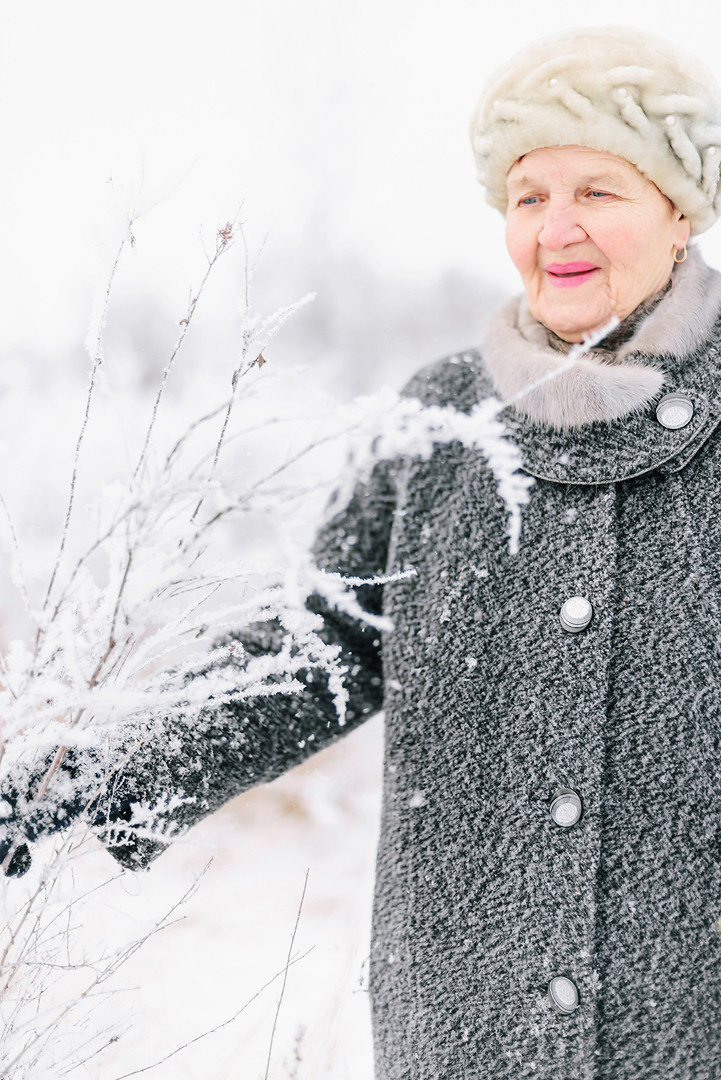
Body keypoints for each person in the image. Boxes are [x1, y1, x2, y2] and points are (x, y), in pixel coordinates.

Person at [5, 23, 721, 1080]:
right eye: (528, 196)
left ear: (679, 209)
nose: (555, 228)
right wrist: (101, 769)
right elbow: (322, 642)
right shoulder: (442, 421)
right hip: (469, 1017)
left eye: (598, 191)